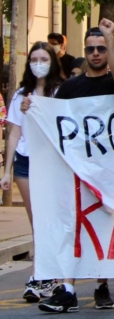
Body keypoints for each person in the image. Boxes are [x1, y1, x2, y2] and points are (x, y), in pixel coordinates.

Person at [38, 20, 114, 313]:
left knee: (104, 228)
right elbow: (56, 122)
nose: (95, 53)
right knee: (75, 227)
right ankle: (68, 289)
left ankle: (101, 284)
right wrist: (34, 110)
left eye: (101, 48)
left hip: (111, 168)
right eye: (90, 49)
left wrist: (110, 37)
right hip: (77, 169)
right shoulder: (70, 88)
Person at [1, 41, 63, 303]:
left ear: (52, 61)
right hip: (26, 163)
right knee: (37, 221)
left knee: (51, 220)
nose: (39, 63)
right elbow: (14, 132)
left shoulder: (61, 91)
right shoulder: (20, 94)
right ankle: (41, 276)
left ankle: (50, 276)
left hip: (52, 162)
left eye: (44, 58)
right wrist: (7, 171)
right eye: (34, 59)